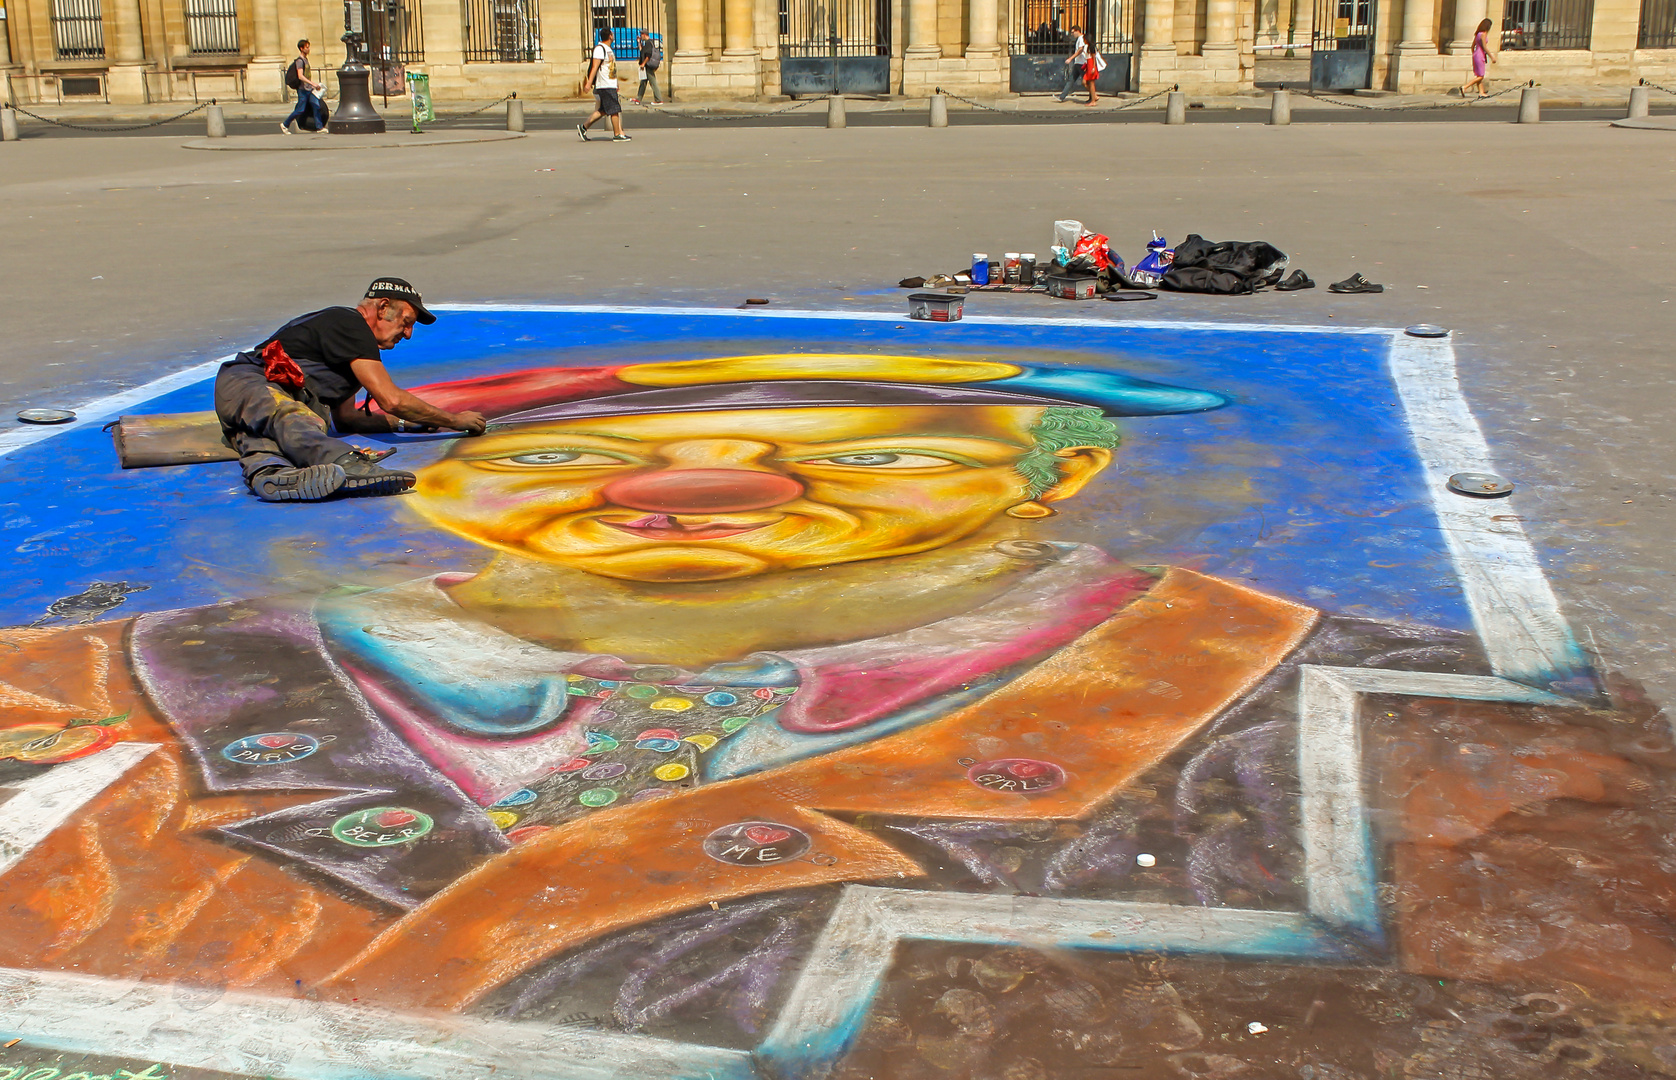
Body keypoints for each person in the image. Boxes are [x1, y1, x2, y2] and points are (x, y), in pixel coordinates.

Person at [0, 352, 1667, 1035]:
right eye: (571, 456)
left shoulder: (1397, 721)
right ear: (446, 481)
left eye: (869, 454)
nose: (690, 495)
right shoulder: (80, 676)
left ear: (1065, 469)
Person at [213, 278, 487, 502]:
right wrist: (452, 421)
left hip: (252, 400)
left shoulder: (349, 350)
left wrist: (407, 423)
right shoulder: (350, 324)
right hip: (249, 381)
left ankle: (271, 477)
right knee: (289, 415)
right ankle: (347, 464)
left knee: (265, 436)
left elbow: (347, 418)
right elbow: (391, 399)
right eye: (406, 322)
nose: (408, 334)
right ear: (382, 308)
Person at [579, 27, 630, 142]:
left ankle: (583, 127)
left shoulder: (608, 49)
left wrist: (616, 82)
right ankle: (617, 134)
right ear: (610, 36)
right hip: (604, 84)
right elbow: (594, 67)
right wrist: (589, 83)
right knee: (614, 109)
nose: (613, 36)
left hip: (610, 83)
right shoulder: (599, 49)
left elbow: (612, 68)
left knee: (604, 110)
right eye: (612, 34)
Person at [281, 39, 326, 134]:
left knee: (316, 106)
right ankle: (285, 124)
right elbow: (300, 76)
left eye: (308, 47)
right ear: (301, 48)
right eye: (307, 47)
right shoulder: (300, 61)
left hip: (309, 89)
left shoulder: (305, 59)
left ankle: (319, 127)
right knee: (300, 109)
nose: (309, 49)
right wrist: (313, 83)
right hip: (303, 90)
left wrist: (312, 85)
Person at [1461, 17, 1496, 98]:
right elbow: (1484, 47)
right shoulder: (1483, 34)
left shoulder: (1477, 34)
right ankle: (1465, 87)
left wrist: (1475, 54)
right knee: (1481, 76)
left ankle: (1481, 92)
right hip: (1480, 55)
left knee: (1478, 75)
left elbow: (1472, 46)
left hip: (1476, 54)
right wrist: (1492, 57)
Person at [1056, 24, 1089, 103]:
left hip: (1081, 63)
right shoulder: (1079, 39)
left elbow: (1080, 50)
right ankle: (1062, 96)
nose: (1072, 34)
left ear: (1078, 31)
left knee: (1085, 82)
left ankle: (1093, 95)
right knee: (1071, 80)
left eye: (1073, 32)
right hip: (1078, 63)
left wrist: (1071, 58)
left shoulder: (1081, 39)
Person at [632, 30, 664, 105]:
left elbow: (648, 55)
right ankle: (638, 99)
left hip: (648, 66)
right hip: (646, 66)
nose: (640, 36)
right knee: (643, 82)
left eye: (641, 34)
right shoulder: (647, 43)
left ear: (644, 34)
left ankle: (658, 99)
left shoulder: (648, 43)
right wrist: (639, 42)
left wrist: (643, 63)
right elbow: (642, 51)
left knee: (653, 82)